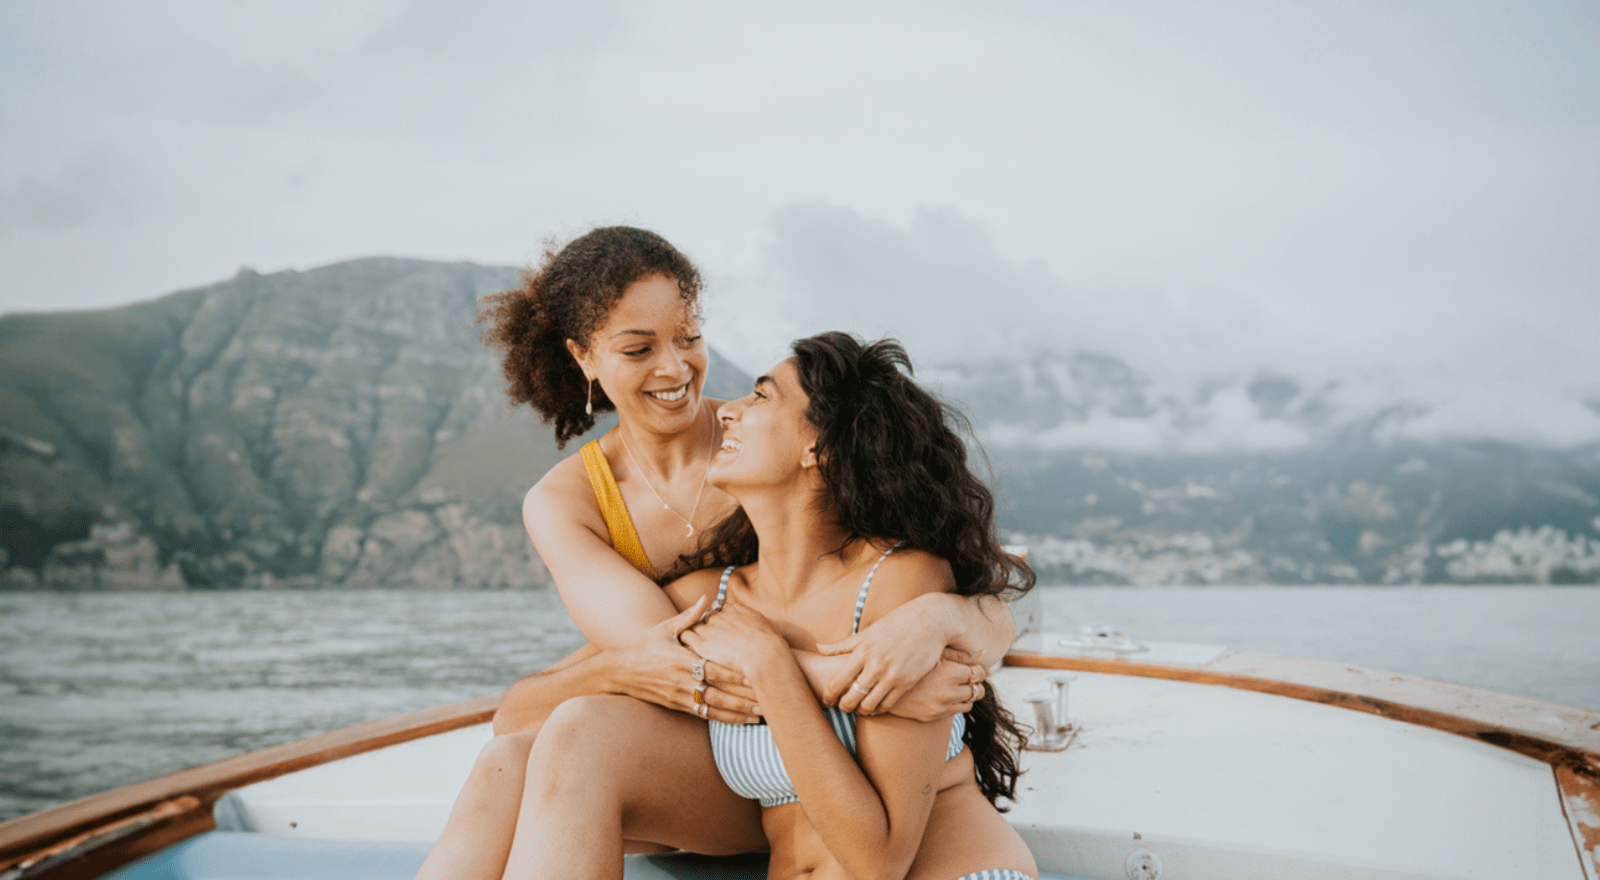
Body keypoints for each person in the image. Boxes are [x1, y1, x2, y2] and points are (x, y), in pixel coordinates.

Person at [415, 228, 1018, 879]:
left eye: (689, 338)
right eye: (639, 348)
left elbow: (930, 572)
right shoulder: (574, 503)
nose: (675, 369)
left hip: (783, 762)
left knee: (578, 733)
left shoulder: (769, 445)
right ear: (584, 356)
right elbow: (668, 651)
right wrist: (831, 674)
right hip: (708, 740)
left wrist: (942, 620)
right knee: (512, 757)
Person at [509, 332, 1038, 880]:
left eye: (760, 397)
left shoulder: (898, 582)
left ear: (821, 448)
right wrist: (619, 669)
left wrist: (768, 664)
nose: (728, 413)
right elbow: (517, 717)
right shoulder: (710, 596)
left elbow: (878, 861)